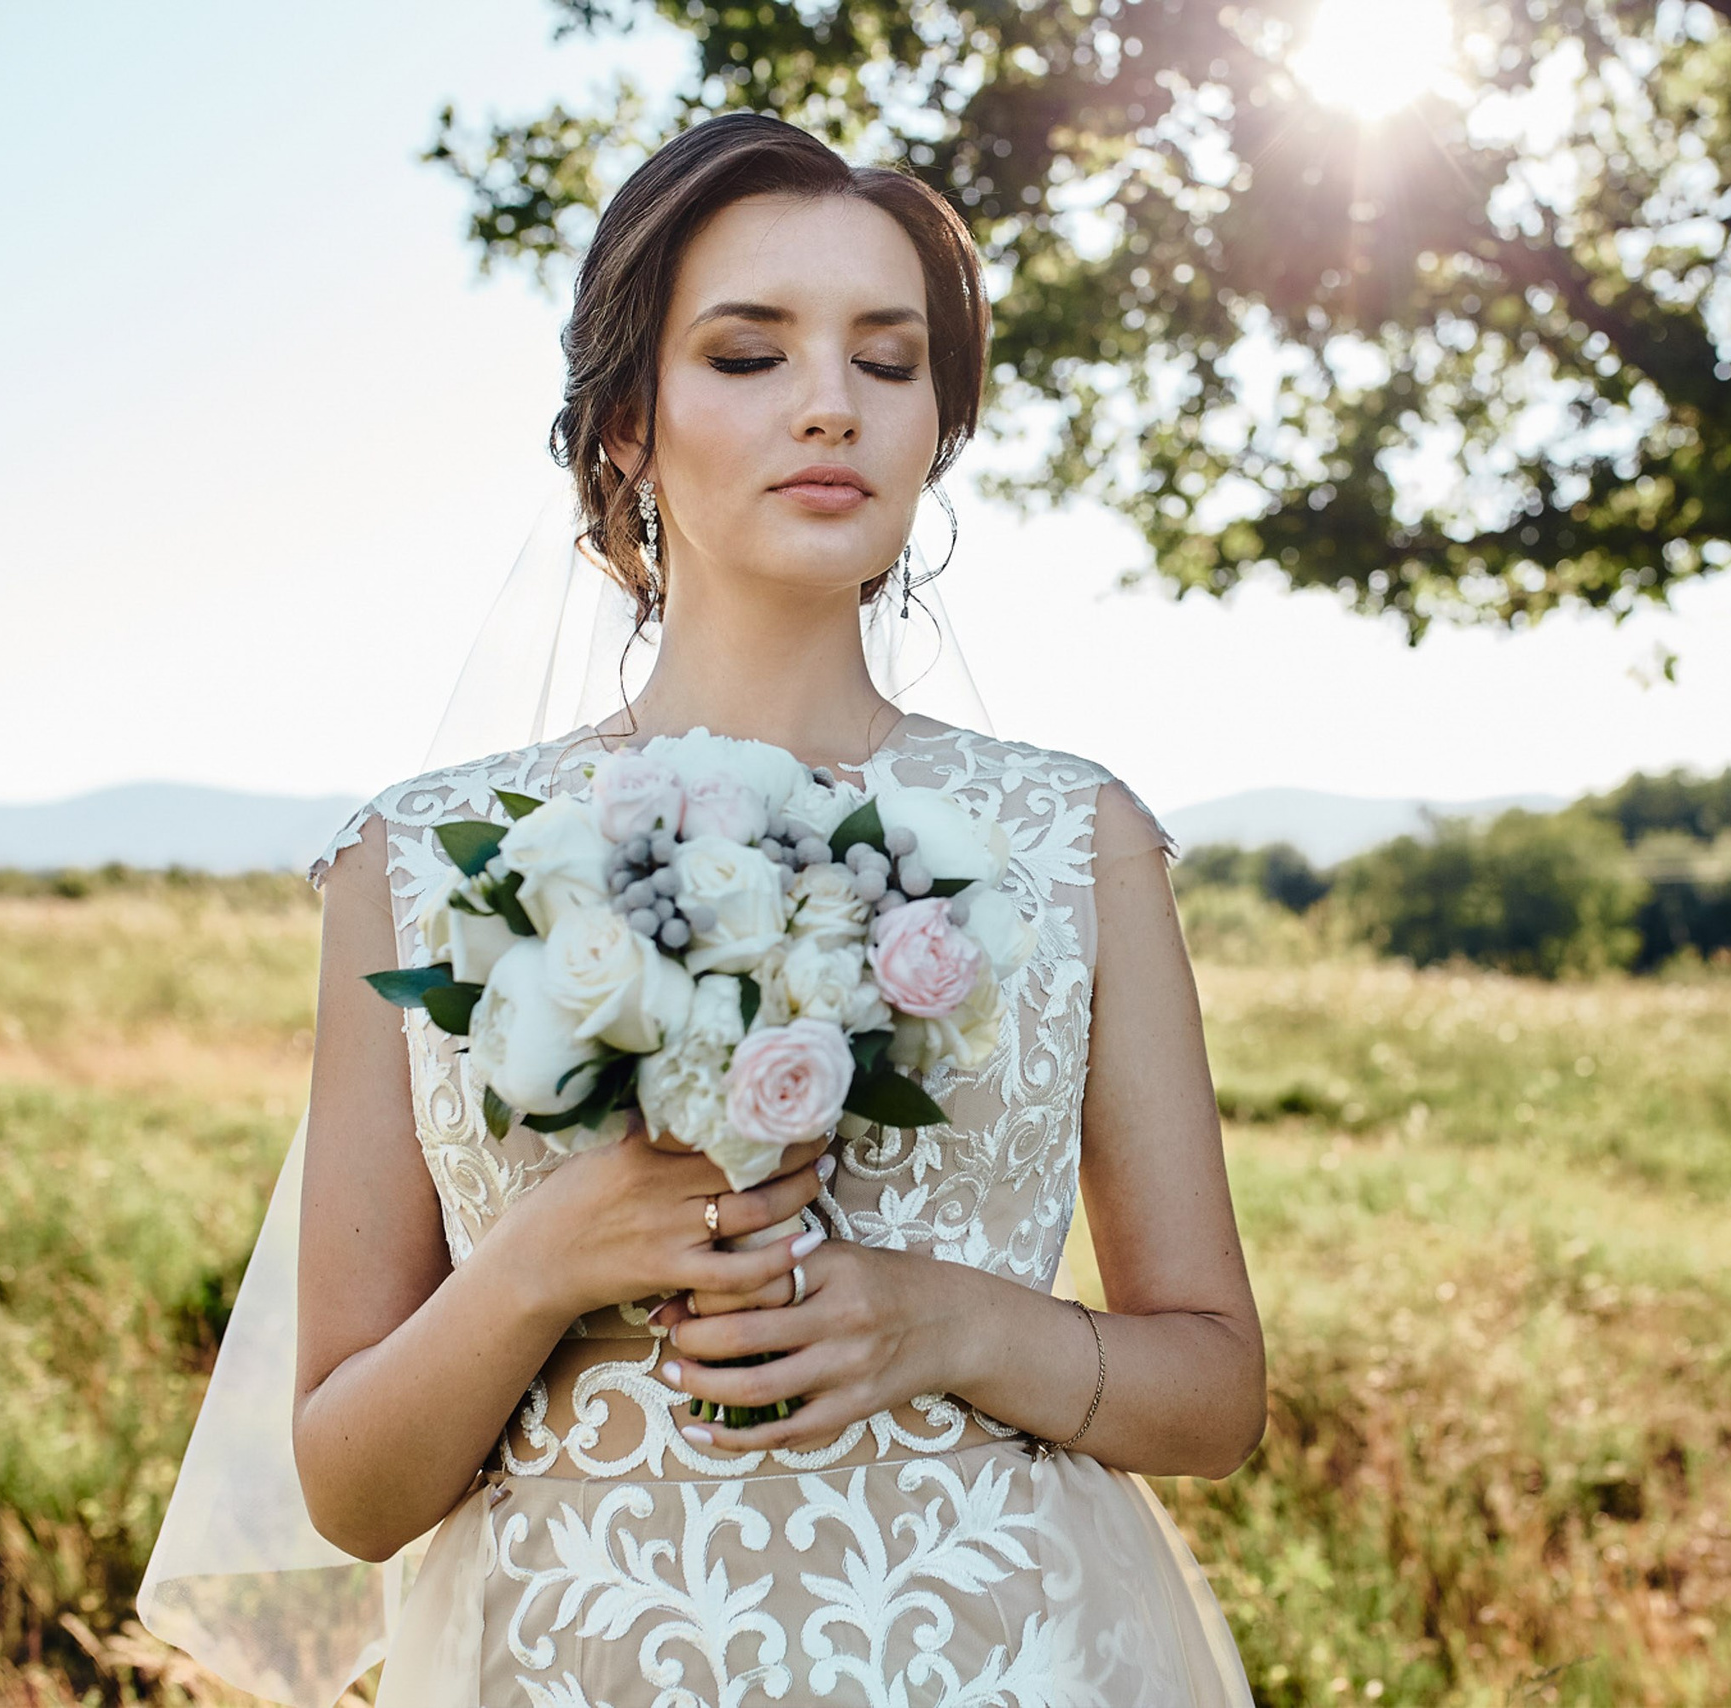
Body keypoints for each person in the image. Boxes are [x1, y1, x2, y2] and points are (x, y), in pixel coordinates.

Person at [139, 112, 1265, 1706]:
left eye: (890, 362)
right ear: (623, 426)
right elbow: (352, 1488)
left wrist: (949, 1324)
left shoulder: (1077, 841)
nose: (833, 405)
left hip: (1005, 1660)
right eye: (750, 355)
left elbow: (1216, 1394)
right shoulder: (428, 858)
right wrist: (540, 1264)